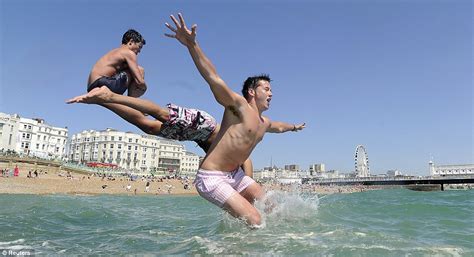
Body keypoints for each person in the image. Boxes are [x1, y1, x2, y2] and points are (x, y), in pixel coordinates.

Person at [165, 13, 306, 226]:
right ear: (251, 91)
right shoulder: (237, 107)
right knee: (255, 219)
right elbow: (213, 78)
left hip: (235, 176)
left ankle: (239, 238)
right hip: (211, 177)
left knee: (272, 207)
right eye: (266, 89)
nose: (271, 93)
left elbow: (278, 127)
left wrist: (294, 127)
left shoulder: (263, 122)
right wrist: (192, 45)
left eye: (271, 90)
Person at [67, 75, 304, 178]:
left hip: (195, 136)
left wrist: (293, 127)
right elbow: (250, 158)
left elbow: (278, 126)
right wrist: (248, 182)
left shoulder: (228, 165)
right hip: (204, 126)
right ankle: (109, 96)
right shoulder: (242, 158)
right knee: (159, 113)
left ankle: (103, 102)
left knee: (148, 127)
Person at [87, 29, 147, 98]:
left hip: (91, 85)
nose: (139, 51)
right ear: (131, 42)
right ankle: (130, 102)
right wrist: (144, 88)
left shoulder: (115, 52)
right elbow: (139, 81)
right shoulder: (129, 53)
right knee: (140, 70)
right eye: (139, 47)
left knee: (129, 69)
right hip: (101, 83)